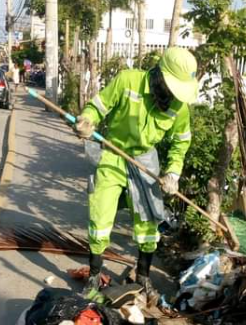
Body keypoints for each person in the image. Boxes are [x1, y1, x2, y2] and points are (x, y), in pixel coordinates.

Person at [74, 47, 198, 304]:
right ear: (160, 76)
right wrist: (87, 120)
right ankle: (94, 276)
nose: (174, 96)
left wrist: (173, 173)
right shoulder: (128, 80)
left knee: (148, 223)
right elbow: (98, 107)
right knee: (100, 216)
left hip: (145, 162)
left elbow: (181, 143)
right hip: (113, 155)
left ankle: (142, 276)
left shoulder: (179, 108)